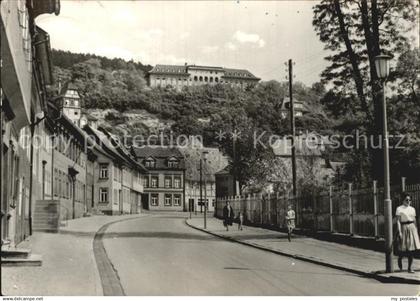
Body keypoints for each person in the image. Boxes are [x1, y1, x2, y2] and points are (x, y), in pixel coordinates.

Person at [395, 193, 420, 273]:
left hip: (412, 227)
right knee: (403, 248)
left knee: (411, 249)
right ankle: (400, 258)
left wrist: (416, 230)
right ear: (403, 200)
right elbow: (398, 221)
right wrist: (399, 231)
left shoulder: (412, 209)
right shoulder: (399, 209)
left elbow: (415, 220)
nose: (408, 201)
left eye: (410, 200)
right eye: (406, 200)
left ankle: (410, 268)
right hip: (404, 227)